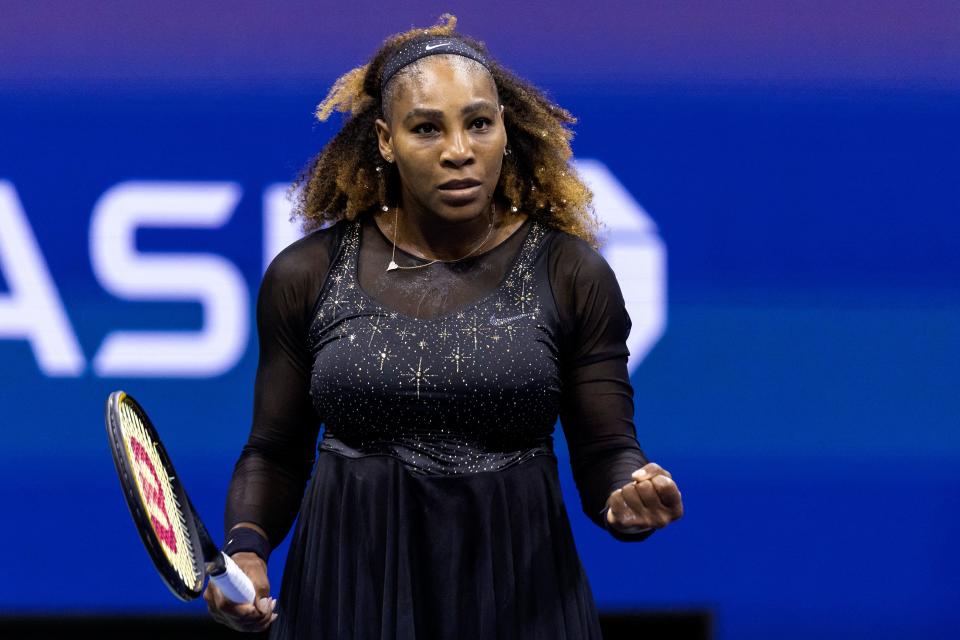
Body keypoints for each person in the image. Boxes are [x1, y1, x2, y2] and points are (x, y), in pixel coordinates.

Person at [204, 13, 683, 638]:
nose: (459, 151)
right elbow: (273, 451)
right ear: (385, 139)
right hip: (349, 594)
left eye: (478, 123)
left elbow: (606, 453)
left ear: (504, 130)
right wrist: (246, 550)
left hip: (520, 597)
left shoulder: (572, 273)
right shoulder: (306, 275)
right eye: (427, 128)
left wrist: (631, 499)